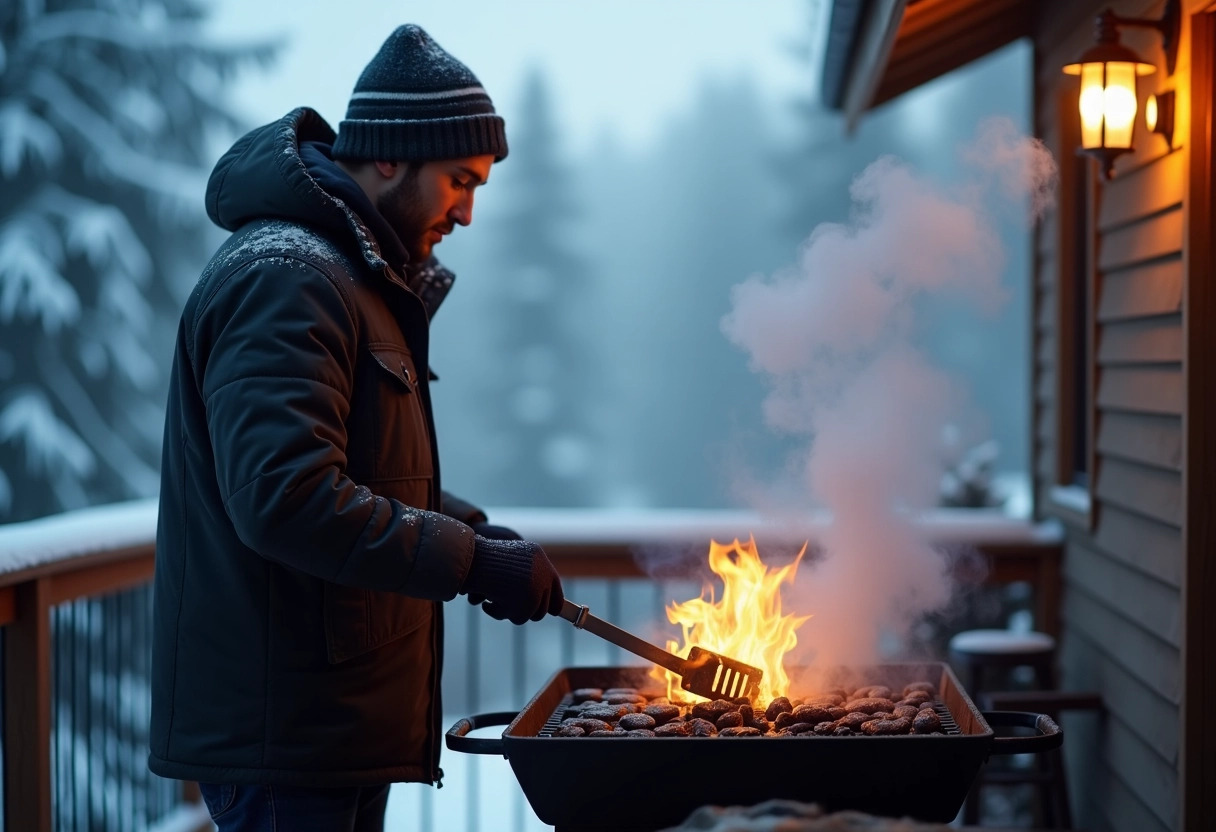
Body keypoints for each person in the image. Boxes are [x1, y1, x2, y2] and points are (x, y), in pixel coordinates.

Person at [148, 24, 565, 831]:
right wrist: (470, 562)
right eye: (458, 179)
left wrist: (474, 532)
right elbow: (286, 497)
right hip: (287, 737)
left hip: (323, 729)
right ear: (387, 158)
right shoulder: (287, 279)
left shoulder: (347, 276)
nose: (468, 213)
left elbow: (358, 473)